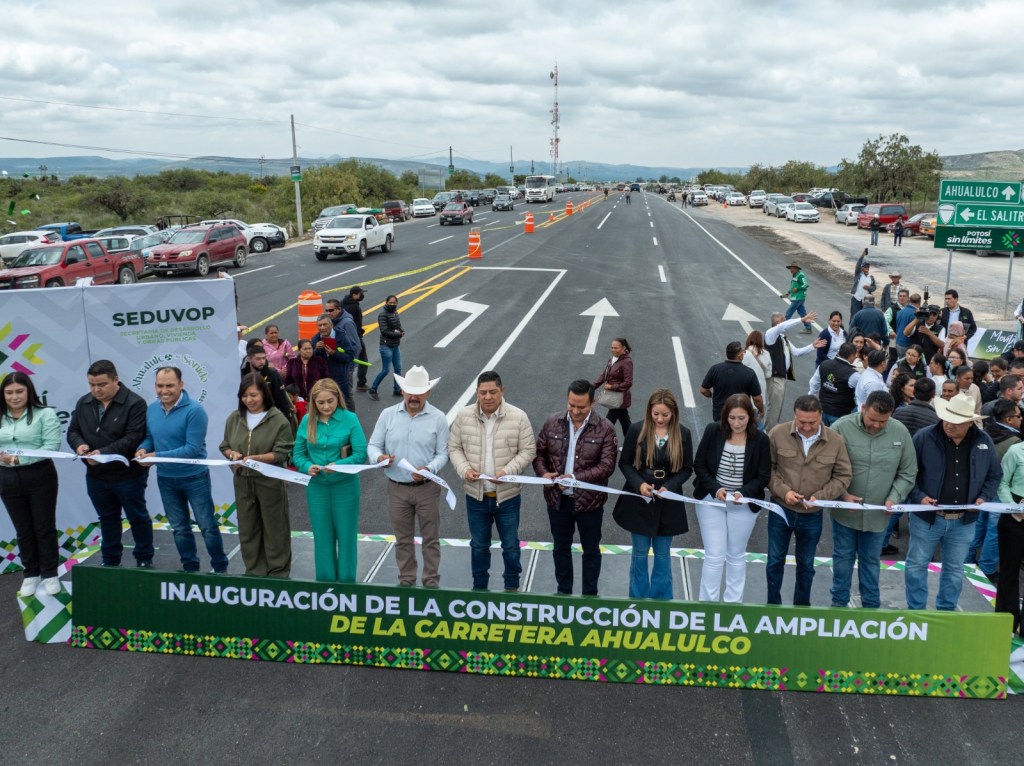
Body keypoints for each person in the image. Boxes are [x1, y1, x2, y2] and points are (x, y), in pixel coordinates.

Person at [905, 392, 1002, 611]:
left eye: (957, 422)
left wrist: (984, 496)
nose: (949, 424)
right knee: (916, 566)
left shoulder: (984, 441)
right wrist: (919, 496)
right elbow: (907, 473)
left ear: (969, 422)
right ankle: (915, 612)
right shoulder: (924, 437)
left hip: (964, 522)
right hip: (926, 518)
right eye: (947, 417)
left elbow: (994, 475)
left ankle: (946, 613)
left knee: (955, 569)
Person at [448, 371, 536, 592]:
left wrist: (508, 471)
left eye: (493, 392)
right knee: (478, 546)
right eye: (483, 393)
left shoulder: (519, 417)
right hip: (475, 496)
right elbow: (454, 448)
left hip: (507, 497)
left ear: (502, 391)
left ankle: (512, 587)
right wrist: (465, 470)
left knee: (510, 546)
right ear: (477, 392)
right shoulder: (463, 416)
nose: (487, 397)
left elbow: (528, 451)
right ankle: (480, 588)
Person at [136, 367, 228, 574]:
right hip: (166, 478)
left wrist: (156, 457)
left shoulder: (195, 411)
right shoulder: (152, 409)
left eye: (169, 385)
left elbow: (192, 449)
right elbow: (151, 437)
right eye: (160, 386)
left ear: (181, 385)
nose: (164, 390)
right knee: (179, 528)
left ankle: (220, 569)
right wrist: (144, 448)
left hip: (194, 477)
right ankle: (190, 569)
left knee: (207, 526)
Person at [830, 392, 917, 608]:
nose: (877, 425)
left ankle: (870, 608)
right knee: (843, 559)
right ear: (862, 408)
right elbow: (825, 467)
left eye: (883, 421)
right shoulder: (841, 428)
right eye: (872, 419)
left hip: (879, 516)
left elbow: (908, 471)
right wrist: (842, 495)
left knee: (870, 562)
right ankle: (838, 605)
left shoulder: (900, 432)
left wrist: (894, 497)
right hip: (844, 514)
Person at [766, 395, 853, 605]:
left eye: (812, 423)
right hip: (781, 510)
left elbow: (843, 476)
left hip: (812, 514)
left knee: (806, 564)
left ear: (821, 416)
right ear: (794, 415)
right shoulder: (777, 434)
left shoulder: (835, 441)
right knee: (774, 561)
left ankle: (801, 608)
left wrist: (820, 498)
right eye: (801, 421)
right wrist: (784, 491)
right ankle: (772, 606)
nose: (806, 427)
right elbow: (767, 469)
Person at [533, 379, 617, 596]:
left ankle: (590, 595)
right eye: (571, 405)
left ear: (593, 403)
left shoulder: (606, 428)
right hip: (557, 501)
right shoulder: (552, 422)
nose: (575, 411)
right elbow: (539, 455)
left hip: (590, 502)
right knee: (560, 548)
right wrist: (544, 473)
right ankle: (564, 592)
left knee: (591, 551)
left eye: (581, 406)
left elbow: (607, 466)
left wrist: (574, 478)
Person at [367, 365, 448, 587]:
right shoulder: (387, 415)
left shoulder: (438, 418)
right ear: (402, 391)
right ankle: (406, 581)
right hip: (397, 488)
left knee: (430, 539)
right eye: (410, 391)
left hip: (427, 489)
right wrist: (379, 458)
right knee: (402, 540)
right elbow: (373, 446)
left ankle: (431, 582)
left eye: (419, 392)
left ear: (428, 393)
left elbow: (443, 454)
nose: (414, 396)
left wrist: (429, 470)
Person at [67, 360, 153, 569]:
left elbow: (133, 437)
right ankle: (110, 559)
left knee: (137, 516)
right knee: (107, 518)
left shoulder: (135, 403)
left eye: (102, 384)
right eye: (91, 384)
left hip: (127, 475)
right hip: (96, 475)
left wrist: (103, 453)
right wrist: (80, 447)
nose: (96, 390)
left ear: (116, 380)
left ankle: (144, 558)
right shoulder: (84, 402)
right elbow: (73, 431)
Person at [613, 389, 694, 600]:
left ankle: (661, 600)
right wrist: (639, 484)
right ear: (649, 410)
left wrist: (670, 486)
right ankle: (637, 599)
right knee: (639, 553)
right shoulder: (636, 429)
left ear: (673, 413)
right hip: (640, 498)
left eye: (665, 415)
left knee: (662, 553)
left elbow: (687, 468)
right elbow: (625, 462)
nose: (659, 419)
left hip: (668, 500)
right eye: (655, 414)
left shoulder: (683, 434)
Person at [693, 394, 771, 602]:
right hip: (712, 501)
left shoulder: (761, 440)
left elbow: (763, 476)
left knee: (736, 554)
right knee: (714, 555)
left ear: (751, 417)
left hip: (743, 504)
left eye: (741, 418)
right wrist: (716, 489)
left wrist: (743, 493)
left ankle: (733, 604)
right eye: (731, 418)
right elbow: (699, 464)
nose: (736, 423)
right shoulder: (713, 431)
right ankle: (707, 605)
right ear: (725, 416)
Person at [219, 373, 294, 577]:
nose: (249, 400)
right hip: (242, 482)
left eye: (253, 395)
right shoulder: (234, 418)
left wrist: (255, 458)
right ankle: (254, 572)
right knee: (248, 528)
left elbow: (281, 452)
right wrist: (232, 454)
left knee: (275, 528)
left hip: (269, 482)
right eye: (244, 396)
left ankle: (278, 573)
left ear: (264, 394)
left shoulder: (278, 419)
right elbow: (224, 445)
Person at [293, 378, 367, 582]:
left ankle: (347, 583)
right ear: (313, 403)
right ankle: (325, 585)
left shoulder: (350, 419)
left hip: (346, 486)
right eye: (320, 403)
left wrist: (339, 466)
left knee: (346, 537)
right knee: (322, 538)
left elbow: (360, 454)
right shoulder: (307, 421)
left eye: (330, 401)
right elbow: (298, 454)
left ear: (338, 399)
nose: (326, 406)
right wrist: (308, 467)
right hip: (317, 487)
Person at [0, 372, 62, 597]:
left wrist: (18, 458)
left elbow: (51, 446)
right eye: (9, 393)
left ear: (29, 392)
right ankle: (31, 573)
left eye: (19, 391)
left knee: (43, 527)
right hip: (6, 478)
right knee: (23, 529)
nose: (14, 397)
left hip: (39, 476)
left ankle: (49, 573)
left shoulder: (45, 414)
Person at [884, 377, 942, 554]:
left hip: (897, 466)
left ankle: (881, 542)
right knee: (915, 509)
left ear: (914, 392)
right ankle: (916, 549)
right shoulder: (935, 419)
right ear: (933, 395)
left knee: (894, 507)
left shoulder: (900, 412)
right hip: (921, 470)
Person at [763, 311, 824, 430]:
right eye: (784, 320)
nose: (786, 322)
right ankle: (768, 432)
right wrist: (801, 320)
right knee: (774, 406)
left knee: (778, 406)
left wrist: (812, 346)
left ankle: (772, 429)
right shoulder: (771, 334)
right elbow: (782, 326)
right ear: (778, 322)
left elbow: (796, 352)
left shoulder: (783, 338)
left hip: (782, 377)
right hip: (775, 377)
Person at [996, 440, 1024, 637]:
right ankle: (1007, 623)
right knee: (1009, 570)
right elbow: (1001, 482)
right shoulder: (1015, 451)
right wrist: (1014, 508)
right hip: (1015, 516)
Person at [700, 341, 764, 422]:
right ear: (739, 356)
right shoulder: (749, 373)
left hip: (720, 415)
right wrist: (761, 411)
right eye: (743, 352)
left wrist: (712, 395)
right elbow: (757, 399)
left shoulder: (715, 369)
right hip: (741, 417)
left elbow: (703, 390)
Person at [312, 310, 359, 412]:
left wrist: (334, 353)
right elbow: (312, 360)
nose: (322, 328)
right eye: (319, 325)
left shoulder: (341, 336)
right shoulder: (315, 339)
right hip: (323, 381)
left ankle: (351, 423)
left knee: (344, 403)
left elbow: (350, 356)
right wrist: (316, 350)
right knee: (327, 406)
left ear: (331, 324)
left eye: (325, 324)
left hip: (340, 379)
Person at [242, 342, 294, 423]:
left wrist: (287, 420)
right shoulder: (242, 376)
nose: (262, 361)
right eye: (258, 359)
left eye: (264, 358)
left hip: (270, 419)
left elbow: (282, 400)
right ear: (248, 359)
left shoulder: (272, 374)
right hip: (250, 418)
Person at [810, 342, 860, 425]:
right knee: (834, 437)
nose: (856, 357)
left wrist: (811, 402)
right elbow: (861, 392)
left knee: (818, 435)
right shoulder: (853, 375)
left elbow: (814, 383)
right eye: (855, 355)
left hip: (821, 410)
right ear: (851, 356)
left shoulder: (824, 364)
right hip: (839, 415)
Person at [592, 338, 633, 438]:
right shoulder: (612, 360)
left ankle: (599, 443)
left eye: (616, 348)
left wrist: (612, 387)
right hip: (616, 398)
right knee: (625, 422)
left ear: (624, 348)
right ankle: (633, 444)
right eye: (612, 347)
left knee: (607, 423)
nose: (613, 350)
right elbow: (604, 375)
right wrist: (592, 387)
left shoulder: (626, 362)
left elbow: (628, 383)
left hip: (619, 398)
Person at [368, 295, 404, 401]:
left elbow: (398, 325)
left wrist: (402, 330)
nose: (392, 305)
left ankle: (397, 389)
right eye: (390, 302)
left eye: (394, 303)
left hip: (395, 345)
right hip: (386, 346)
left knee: (398, 368)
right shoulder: (382, 315)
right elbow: (384, 331)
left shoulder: (395, 313)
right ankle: (373, 389)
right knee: (385, 370)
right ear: (386, 303)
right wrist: (398, 334)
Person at [342, 287, 370, 392]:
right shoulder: (355, 307)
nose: (362, 296)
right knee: (363, 359)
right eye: (360, 294)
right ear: (354, 295)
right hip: (355, 337)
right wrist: (359, 336)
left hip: (343, 337)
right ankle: (361, 383)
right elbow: (357, 325)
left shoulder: (342, 303)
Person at [780, 262, 812, 333]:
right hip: (797, 297)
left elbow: (805, 285)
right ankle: (808, 328)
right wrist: (788, 293)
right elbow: (794, 287)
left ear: (797, 269)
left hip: (798, 298)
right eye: (791, 268)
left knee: (789, 313)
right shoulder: (795, 275)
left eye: (793, 268)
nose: (791, 269)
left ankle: (781, 328)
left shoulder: (800, 275)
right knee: (802, 313)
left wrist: (798, 289)